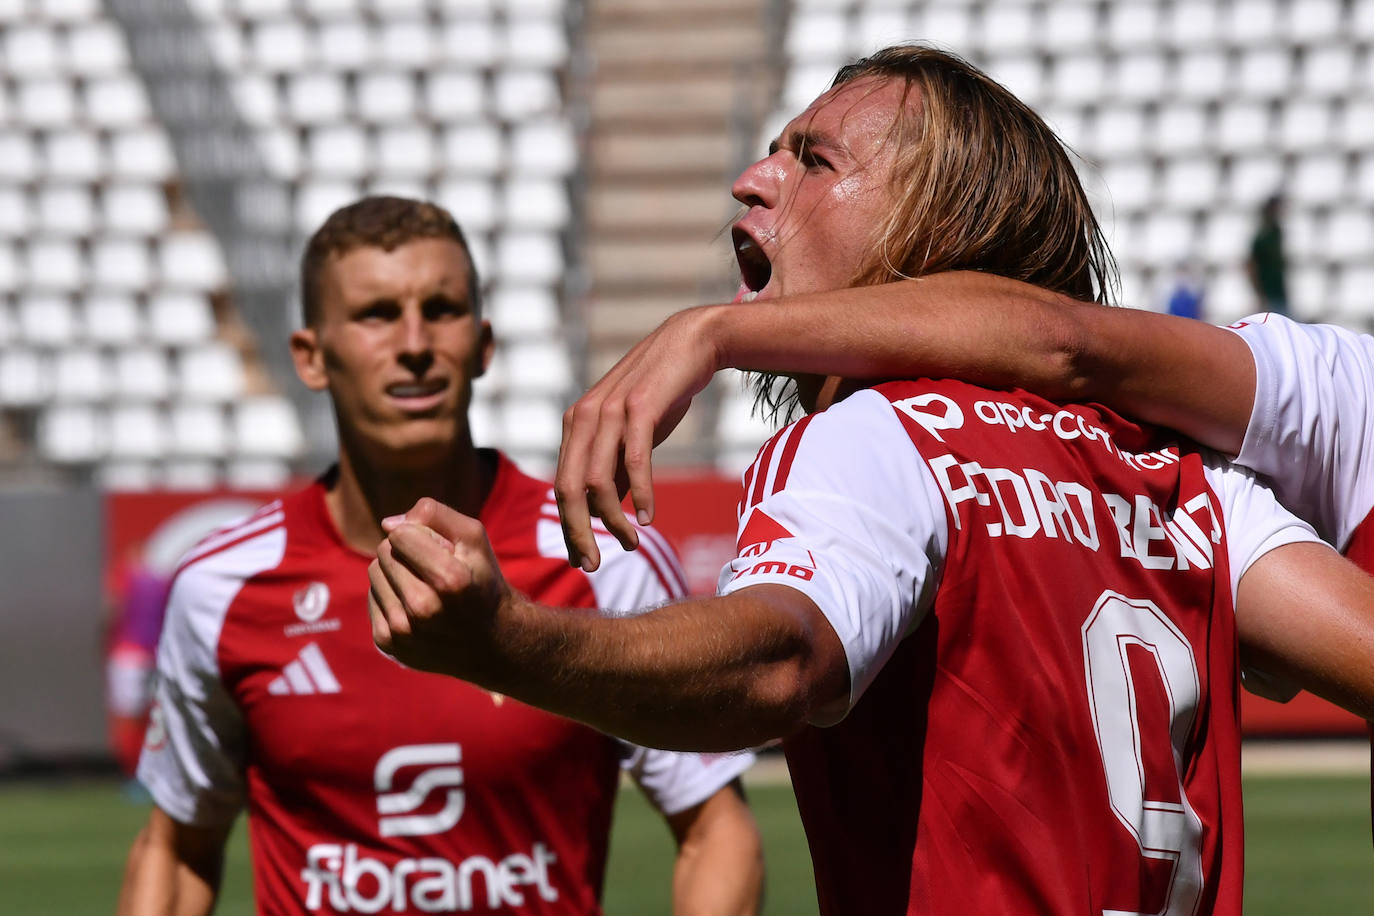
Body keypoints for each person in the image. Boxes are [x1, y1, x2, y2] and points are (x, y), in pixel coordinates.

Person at [366, 48, 1374, 914]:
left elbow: (777, 666)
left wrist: (507, 638)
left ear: (936, 234)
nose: (753, 179)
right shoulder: (1182, 477)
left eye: (814, 160)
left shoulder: (875, 438)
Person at [117, 196, 763, 916]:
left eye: (443, 308)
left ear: (483, 345)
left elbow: (717, 832)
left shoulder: (598, 554)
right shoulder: (222, 585)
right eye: (376, 314)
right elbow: (176, 851)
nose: (415, 341)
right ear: (310, 356)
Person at [1246, 194, 1289, 317]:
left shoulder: (1277, 232)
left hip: (1278, 291)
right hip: (1269, 293)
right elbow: (1251, 266)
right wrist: (1260, 295)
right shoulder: (1263, 236)